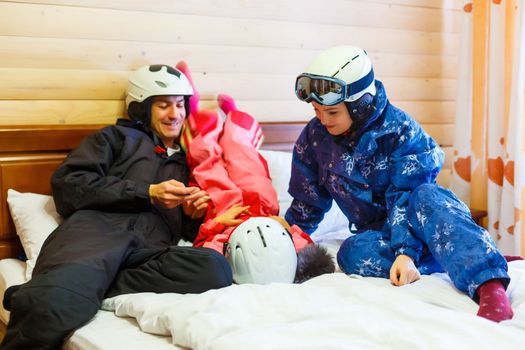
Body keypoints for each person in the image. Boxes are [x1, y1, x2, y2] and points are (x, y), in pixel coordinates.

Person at [1, 64, 233, 349]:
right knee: (54, 305)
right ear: (140, 108)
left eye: (180, 105)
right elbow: (68, 185)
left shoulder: (187, 160)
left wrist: (192, 216)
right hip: (95, 237)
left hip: (147, 251)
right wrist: (146, 192)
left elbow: (184, 228)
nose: (175, 114)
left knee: (215, 269)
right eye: (163, 106)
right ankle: (58, 289)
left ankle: (90, 284)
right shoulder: (115, 139)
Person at [285, 45, 515, 323]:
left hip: (417, 220)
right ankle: (452, 253)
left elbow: (405, 196)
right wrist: (289, 236)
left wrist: (407, 253)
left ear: (360, 104)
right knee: (350, 252)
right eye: (316, 110)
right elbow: (307, 201)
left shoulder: (401, 130)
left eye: (332, 112)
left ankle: (489, 284)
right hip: (380, 235)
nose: (322, 119)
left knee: (427, 195)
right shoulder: (315, 136)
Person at [175, 61, 335, 284]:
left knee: (208, 168)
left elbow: (201, 249)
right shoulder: (297, 257)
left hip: (225, 213)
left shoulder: (223, 256)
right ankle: (235, 125)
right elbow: (300, 237)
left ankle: (194, 115)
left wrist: (219, 222)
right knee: (246, 163)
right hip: (262, 208)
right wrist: (287, 226)